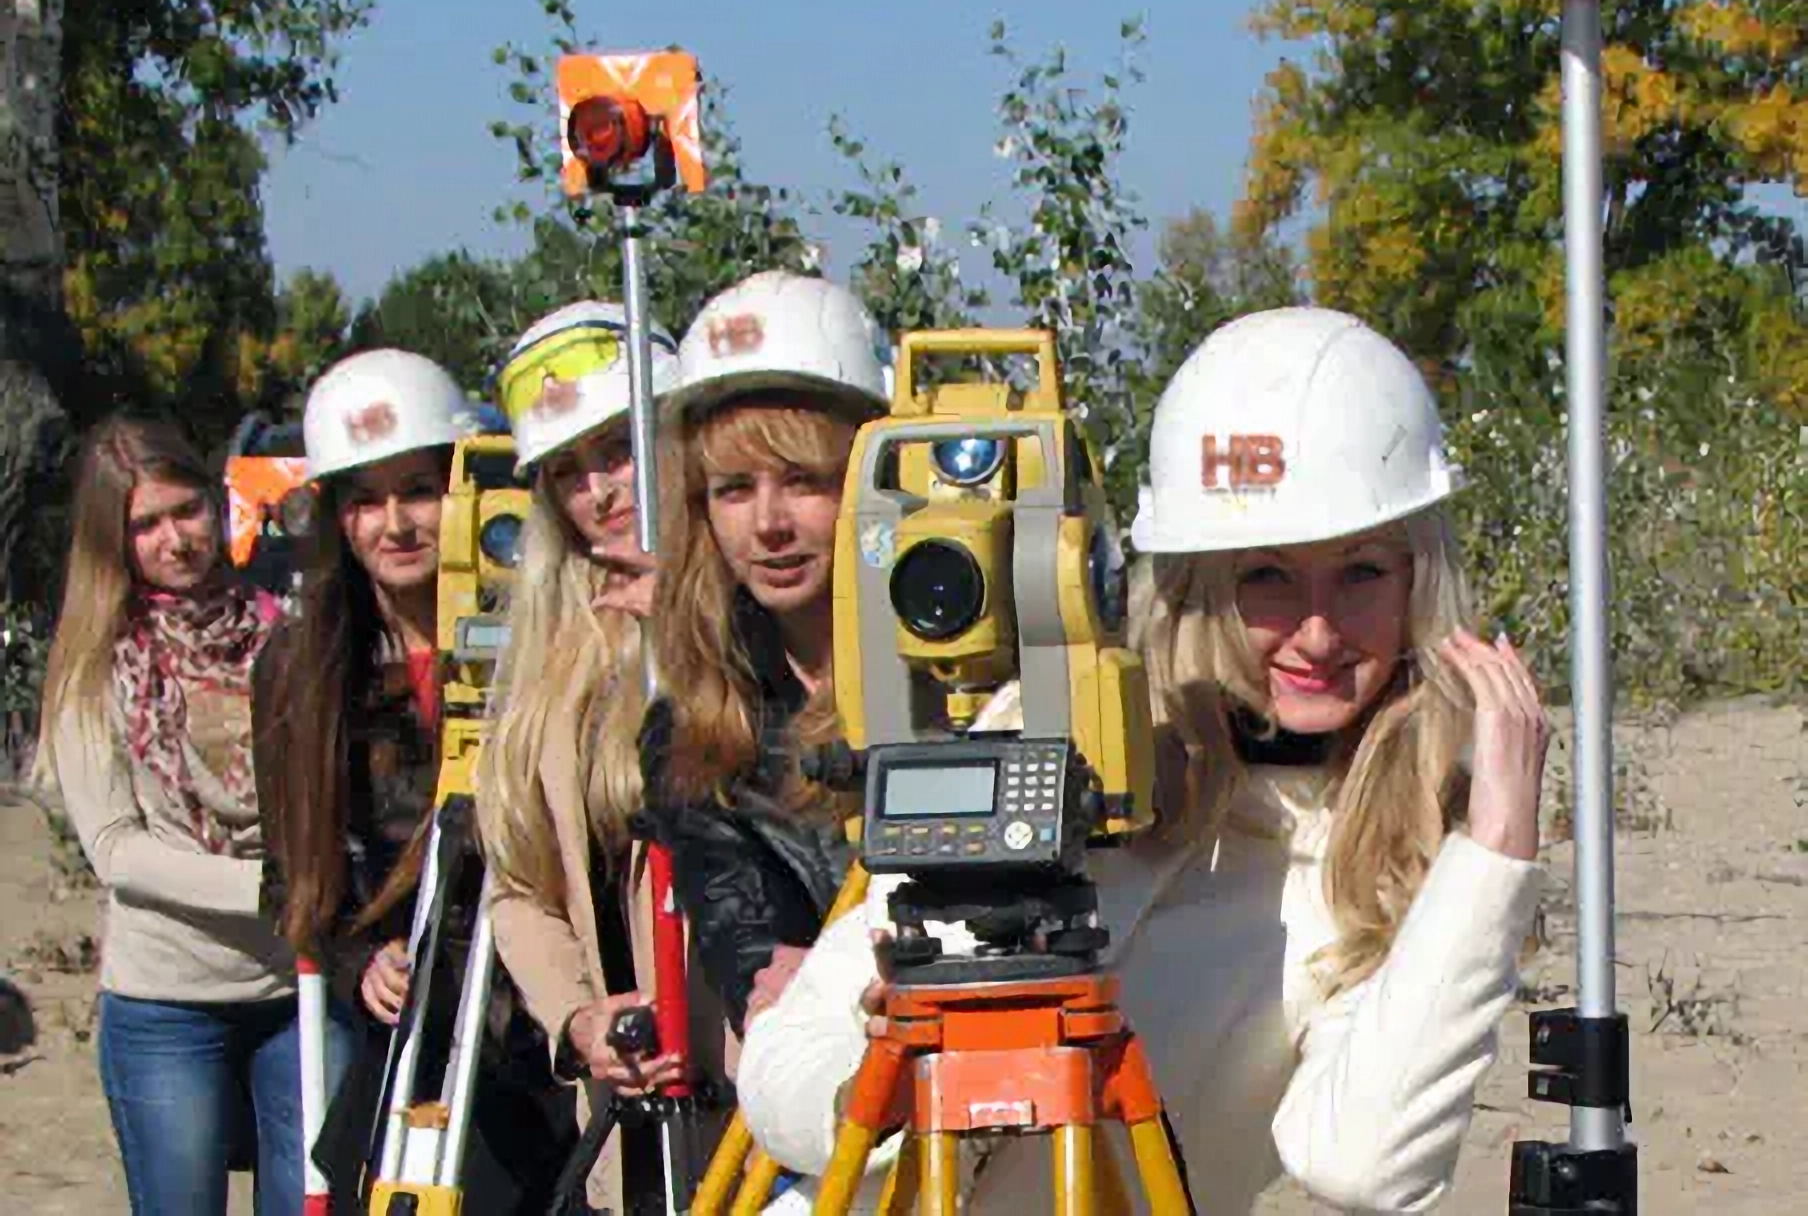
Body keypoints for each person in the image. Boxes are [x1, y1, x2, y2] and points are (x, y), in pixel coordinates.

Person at [735, 306, 1550, 1212]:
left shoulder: (1392, 852)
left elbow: (1366, 1167)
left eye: (1361, 573)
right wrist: (876, 1096)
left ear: (1417, 579)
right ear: (1199, 584)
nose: (1317, 633)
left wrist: (1495, 853)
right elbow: (783, 1060)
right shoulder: (1061, 734)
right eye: (1266, 577)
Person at [252, 349, 569, 1210]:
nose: (394, 524)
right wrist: (360, 961)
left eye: (416, 491)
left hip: (538, 1021)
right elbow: (289, 877)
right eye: (364, 499)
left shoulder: (547, 642)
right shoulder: (300, 667)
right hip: (405, 1035)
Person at [476, 301, 730, 1213]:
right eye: (569, 472)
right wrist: (580, 1018)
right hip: (627, 1126)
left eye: (618, 450)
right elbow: (520, 884)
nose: (600, 491)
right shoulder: (550, 664)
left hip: (755, 1109)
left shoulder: (760, 619)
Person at [41, 415, 298, 1214]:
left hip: (296, 992)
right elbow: (117, 849)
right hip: (165, 1006)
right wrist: (270, 887)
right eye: (146, 524)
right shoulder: (93, 661)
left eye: (185, 511)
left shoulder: (284, 635)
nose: (175, 539)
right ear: (114, 540)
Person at [635, 271, 893, 1040]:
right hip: (829, 1110)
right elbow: (756, 966)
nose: (769, 524)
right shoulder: (692, 729)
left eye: (805, 481)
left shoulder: (976, 684)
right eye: (734, 489)